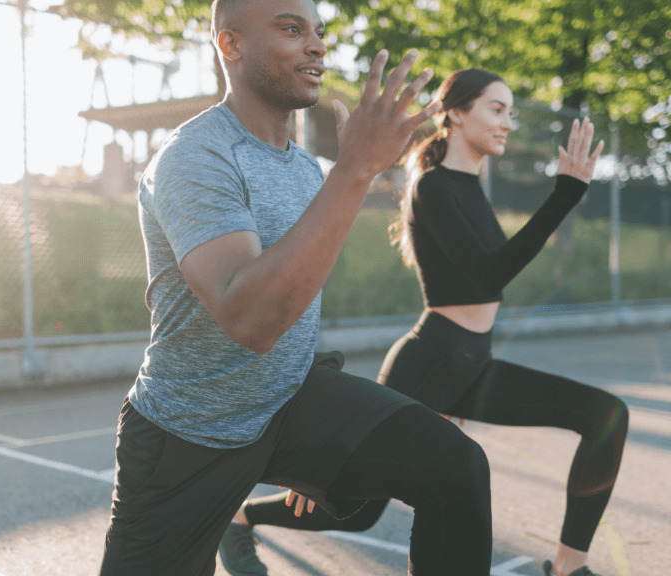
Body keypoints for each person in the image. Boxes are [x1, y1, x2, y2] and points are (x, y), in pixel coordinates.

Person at [99, 0, 497, 574]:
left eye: (318, 31)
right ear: (230, 46)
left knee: (453, 465)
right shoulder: (195, 158)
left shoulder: (307, 169)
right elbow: (251, 320)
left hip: (286, 404)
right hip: (189, 433)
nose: (317, 45)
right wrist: (355, 170)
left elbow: (296, 299)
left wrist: (324, 446)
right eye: (291, 29)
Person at [220, 69, 628, 576]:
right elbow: (489, 274)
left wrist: (565, 194)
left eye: (511, 112)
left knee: (604, 417)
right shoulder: (432, 187)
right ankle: (238, 515)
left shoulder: (470, 187)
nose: (507, 122)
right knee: (359, 509)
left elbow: (490, 277)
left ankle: (569, 567)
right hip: (430, 363)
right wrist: (564, 194)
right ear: (455, 113)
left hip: (473, 363)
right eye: (496, 109)